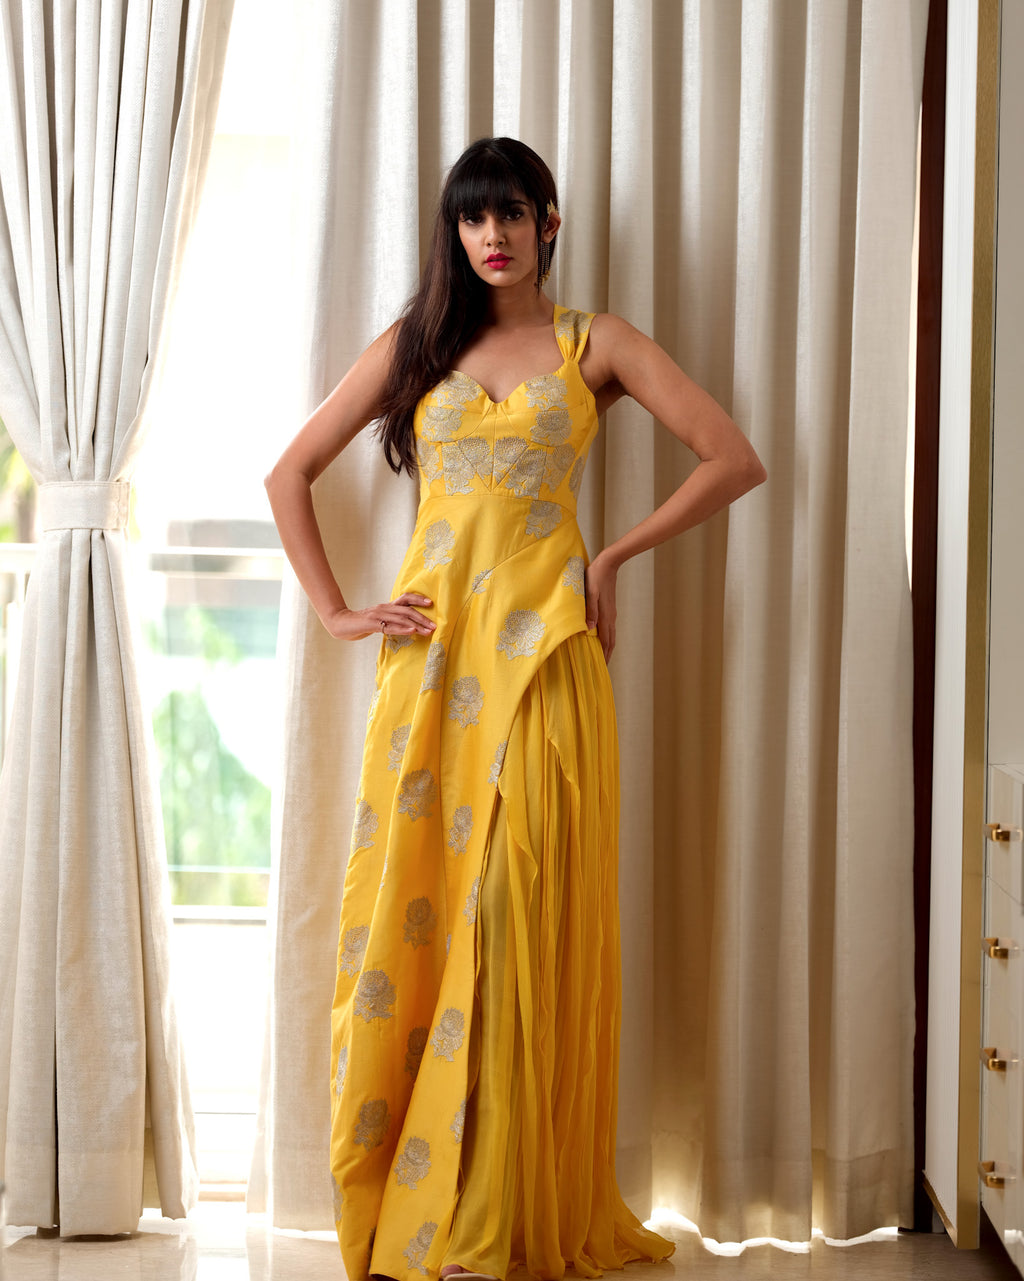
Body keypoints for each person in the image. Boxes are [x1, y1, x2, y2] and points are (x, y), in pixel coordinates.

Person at [265, 136, 766, 1281]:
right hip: (430, 679)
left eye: (512, 213)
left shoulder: (599, 345)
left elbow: (732, 457)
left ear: (548, 221)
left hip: (543, 671)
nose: (491, 236)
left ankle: (487, 1215)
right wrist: (343, 614)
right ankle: (423, 1204)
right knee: (420, 927)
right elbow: (288, 472)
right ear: (453, 233)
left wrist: (614, 558)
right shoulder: (416, 347)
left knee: (514, 920)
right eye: (470, 218)